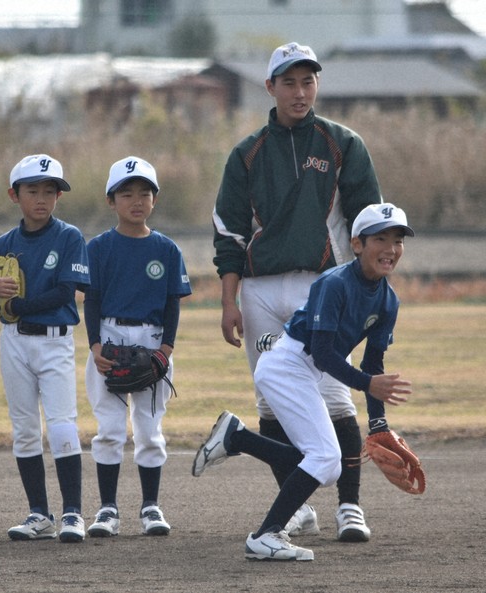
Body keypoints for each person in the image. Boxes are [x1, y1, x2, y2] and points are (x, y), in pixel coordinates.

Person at [211, 41, 384, 541]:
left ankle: (349, 507)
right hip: (260, 292)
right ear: (270, 87)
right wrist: (229, 301)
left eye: (308, 81)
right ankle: (295, 505)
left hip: (323, 286)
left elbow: (368, 221)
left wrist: (363, 287)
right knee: (272, 402)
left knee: (334, 397)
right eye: (289, 81)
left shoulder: (342, 144)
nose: (300, 91)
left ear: (317, 85)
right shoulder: (246, 154)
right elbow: (229, 235)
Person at [194, 202, 414, 561]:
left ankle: (238, 438)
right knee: (327, 458)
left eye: (398, 240)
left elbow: (373, 363)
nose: (390, 248)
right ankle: (265, 535)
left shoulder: (388, 301)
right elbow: (325, 354)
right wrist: (366, 385)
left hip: (303, 370)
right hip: (286, 365)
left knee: (322, 462)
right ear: (357, 244)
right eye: (381, 238)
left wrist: (378, 424)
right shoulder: (335, 283)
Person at [0, 154, 90, 543]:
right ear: (14, 195)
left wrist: (18, 304)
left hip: (54, 341)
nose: (42, 198)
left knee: (61, 426)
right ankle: (39, 514)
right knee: (24, 430)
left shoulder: (69, 236)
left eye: (50, 191)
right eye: (32, 190)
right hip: (14, 342)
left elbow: (64, 292)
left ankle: (73, 512)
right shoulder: (3, 243)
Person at [82, 156, 191, 537]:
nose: (136, 200)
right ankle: (108, 509)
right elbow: (91, 299)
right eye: (126, 193)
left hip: (152, 338)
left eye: (145, 192)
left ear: (154, 200)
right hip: (110, 339)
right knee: (110, 429)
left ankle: (150, 507)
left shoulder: (166, 249)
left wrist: (166, 350)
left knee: (149, 430)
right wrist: (95, 345)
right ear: (111, 201)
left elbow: (172, 304)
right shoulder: (98, 248)